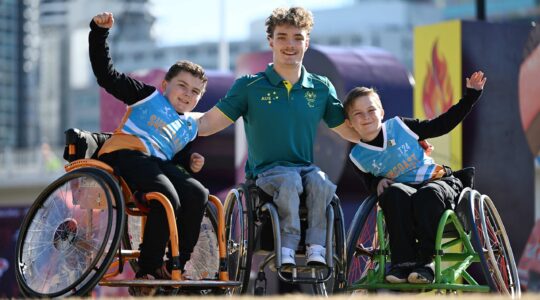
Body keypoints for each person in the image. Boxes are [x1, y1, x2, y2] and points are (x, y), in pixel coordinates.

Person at [196, 7, 359, 266]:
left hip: (305, 170)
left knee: (320, 181)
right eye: (282, 37)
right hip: (265, 174)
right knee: (289, 180)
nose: (290, 45)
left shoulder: (320, 87)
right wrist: (169, 128)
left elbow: (348, 130)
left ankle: (317, 247)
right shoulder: (249, 86)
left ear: (307, 41)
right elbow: (209, 122)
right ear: (270, 41)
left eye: (297, 37)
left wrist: (390, 138)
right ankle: (287, 248)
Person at [89, 12, 209, 296]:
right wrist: (98, 32)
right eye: (182, 86)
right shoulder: (147, 96)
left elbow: (175, 163)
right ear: (166, 85)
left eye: (195, 92)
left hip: (157, 165)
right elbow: (106, 75)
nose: (187, 94)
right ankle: (147, 268)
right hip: (127, 154)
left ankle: (174, 265)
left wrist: (190, 165)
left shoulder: (188, 127)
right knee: (166, 194)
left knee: (198, 193)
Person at [343, 71, 487, 284]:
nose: (366, 117)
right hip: (406, 191)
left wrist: (471, 96)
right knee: (392, 194)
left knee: (427, 194)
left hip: (438, 182)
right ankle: (403, 264)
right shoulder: (357, 157)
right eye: (358, 114)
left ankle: (426, 263)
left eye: (371, 110)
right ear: (350, 123)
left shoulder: (400, 126)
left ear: (381, 112)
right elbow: (369, 183)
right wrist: (376, 182)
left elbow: (442, 125)